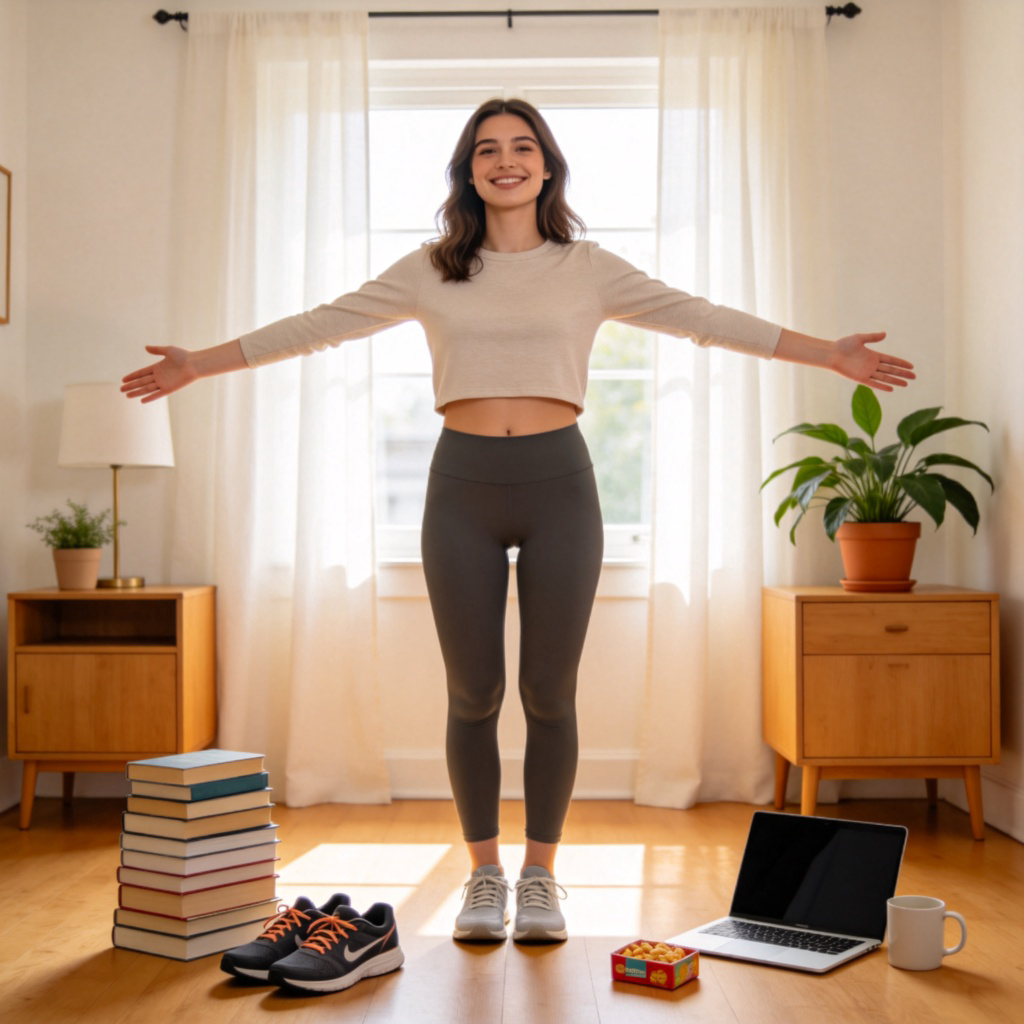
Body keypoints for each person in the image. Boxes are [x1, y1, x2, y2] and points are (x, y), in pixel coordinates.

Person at [122, 98, 915, 947]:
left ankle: (540, 875)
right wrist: (198, 366)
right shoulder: (431, 268)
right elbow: (321, 326)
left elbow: (704, 320)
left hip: (559, 487)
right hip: (460, 486)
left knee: (548, 693)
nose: (506, 160)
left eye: (523, 147)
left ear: (547, 165)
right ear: (468, 170)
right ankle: (483, 875)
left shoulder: (589, 267)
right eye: (488, 149)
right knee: (474, 694)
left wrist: (825, 352)